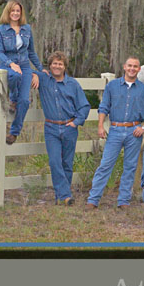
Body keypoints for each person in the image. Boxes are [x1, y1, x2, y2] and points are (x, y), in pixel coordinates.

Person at [85, 57, 144, 209]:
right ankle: (93, 199)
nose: (132, 69)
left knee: (130, 167)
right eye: (129, 66)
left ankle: (123, 200)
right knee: (105, 165)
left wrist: (143, 127)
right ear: (124, 67)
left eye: (135, 66)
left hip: (134, 132)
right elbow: (103, 107)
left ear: (139, 69)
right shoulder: (112, 86)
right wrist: (100, 126)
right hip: (115, 130)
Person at [33, 51, 91, 205]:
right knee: (54, 161)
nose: (57, 66)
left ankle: (61, 197)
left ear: (64, 67)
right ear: (50, 65)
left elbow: (84, 106)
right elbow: (24, 70)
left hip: (69, 127)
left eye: (60, 64)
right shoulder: (44, 79)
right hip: (51, 127)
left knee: (67, 162)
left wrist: (76, 122)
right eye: (54, 63)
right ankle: (65, 195)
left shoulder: (73, 84)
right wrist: (35, 74)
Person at [0, 0, 43, 145]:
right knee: (15, 76)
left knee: (25, 101)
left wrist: (40, 69)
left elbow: (31, 52)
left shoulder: (26, 29)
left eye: (18, 11)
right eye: (13, 11)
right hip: (7, 64)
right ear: (8, 12)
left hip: (25, 66)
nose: (15, 13)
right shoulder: (0, 30)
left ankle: (14, 132)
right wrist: (11, 64)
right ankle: (13, 98)